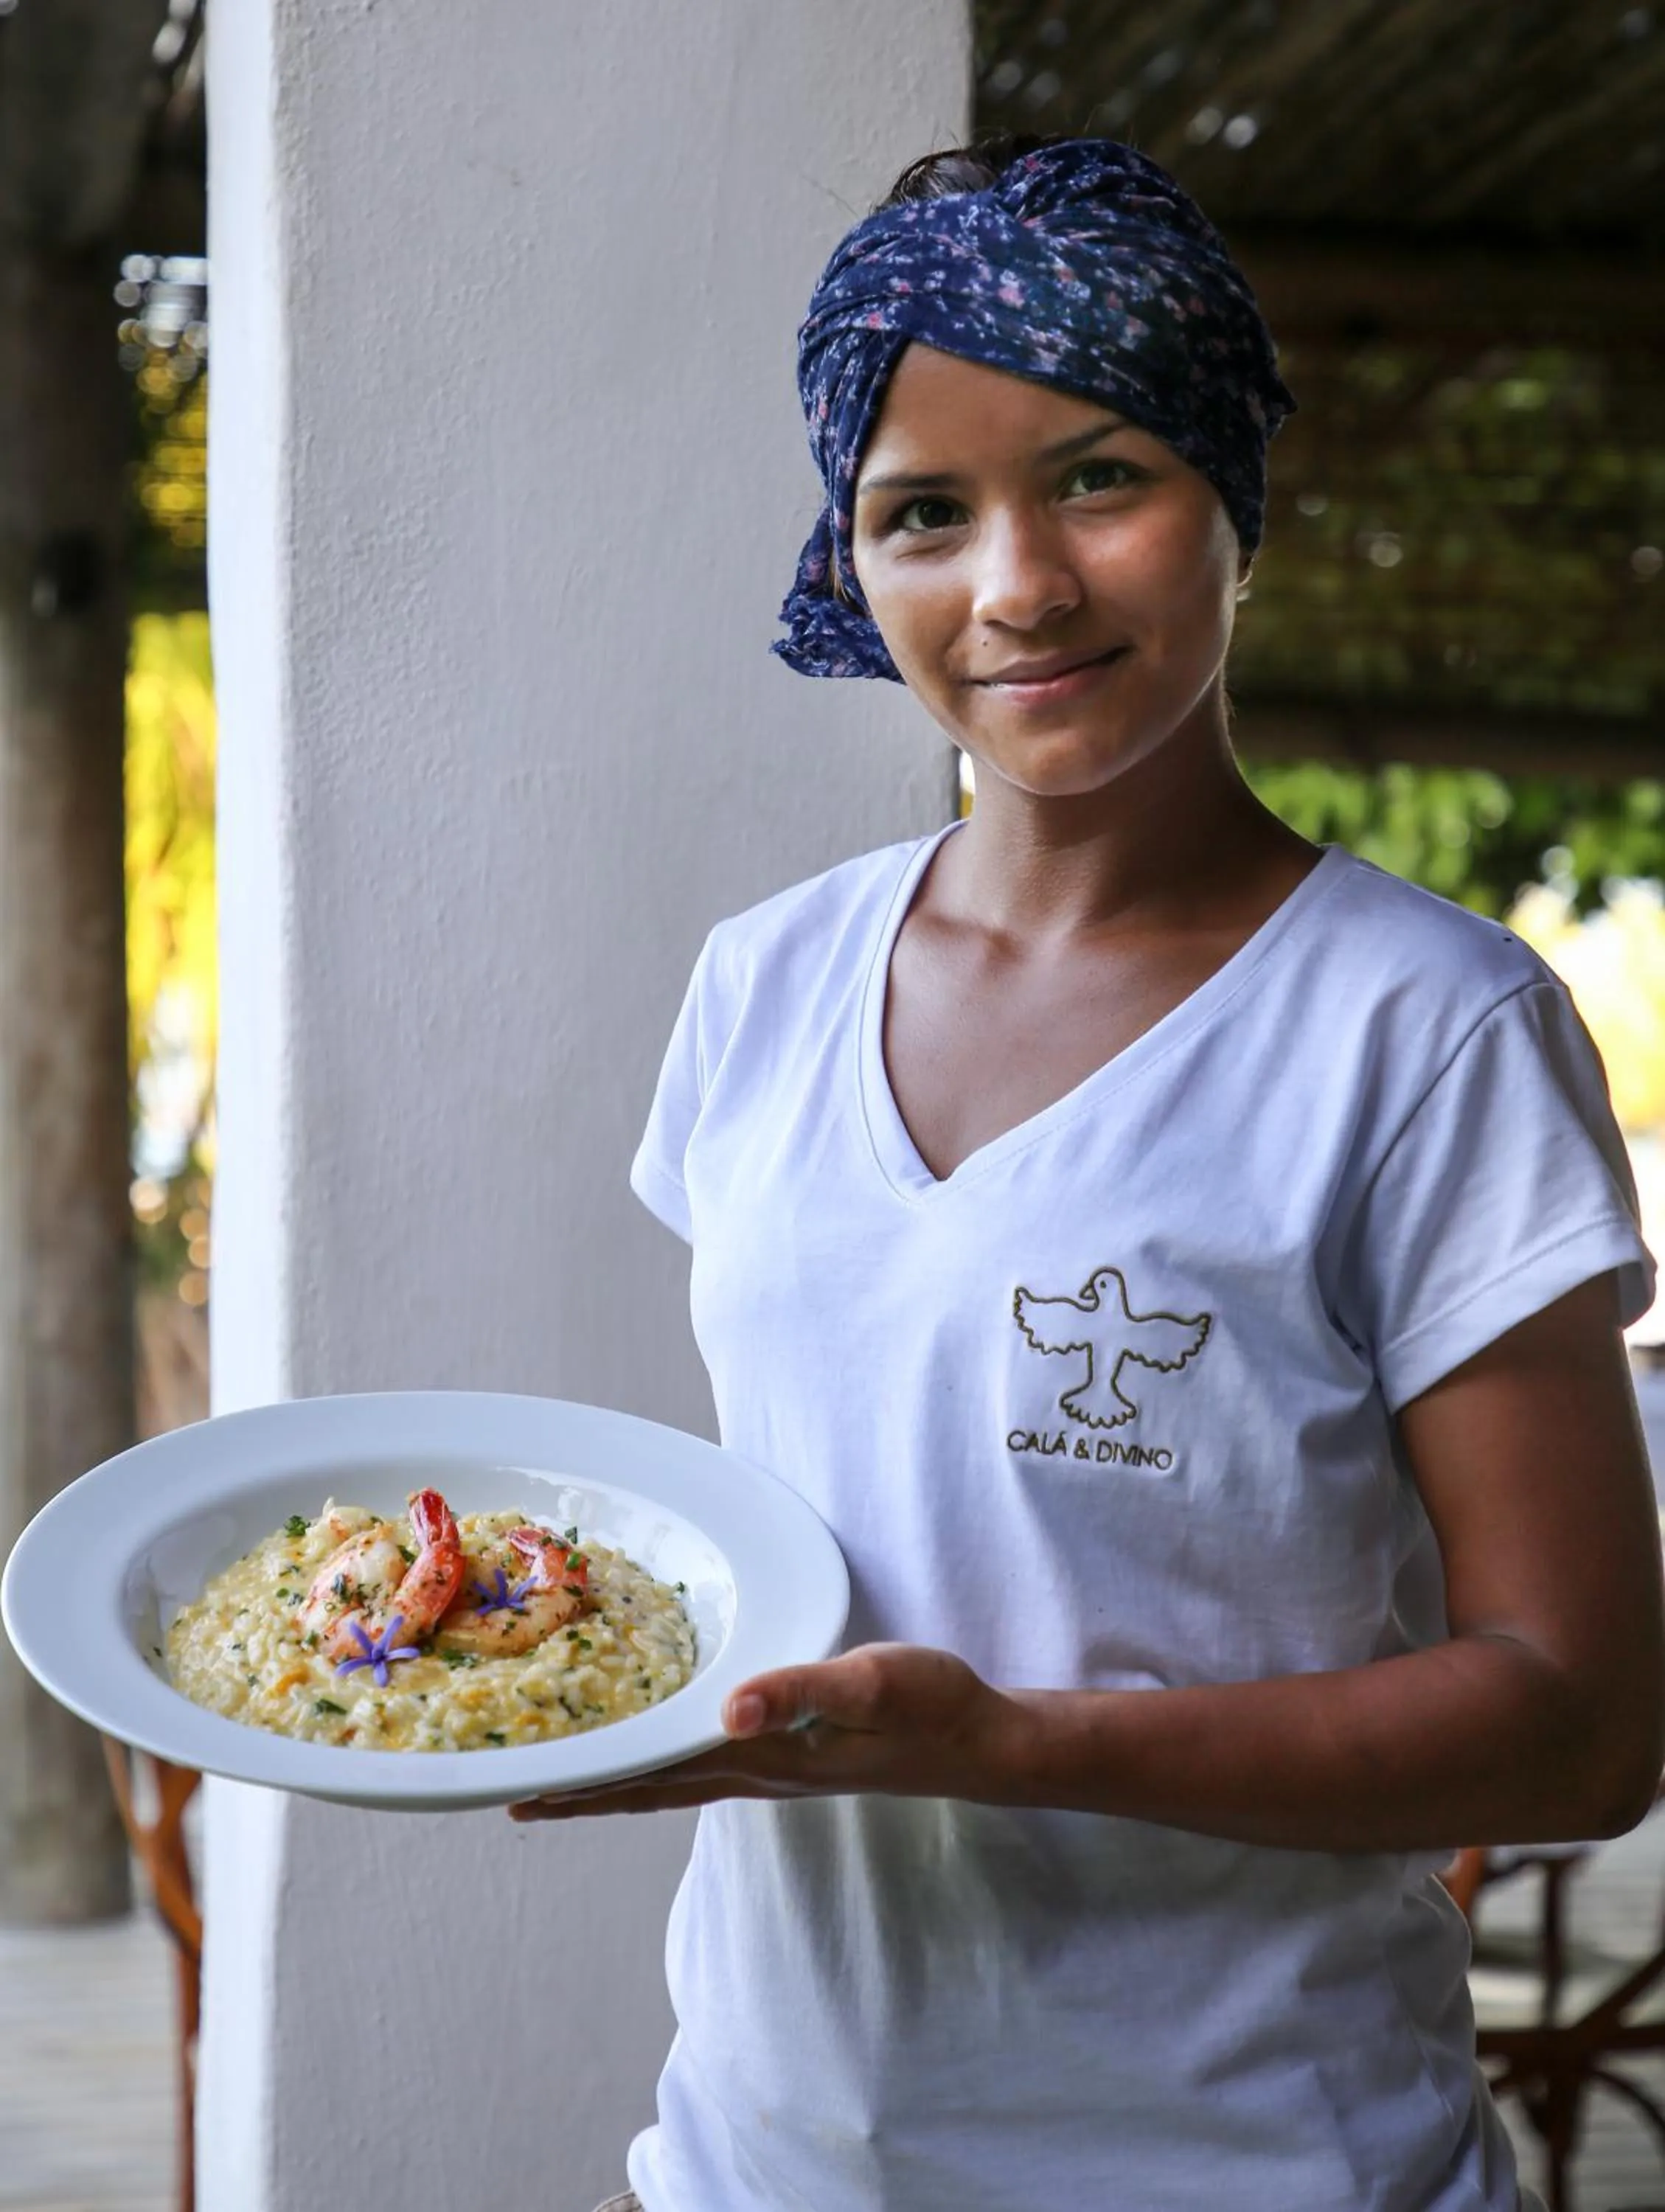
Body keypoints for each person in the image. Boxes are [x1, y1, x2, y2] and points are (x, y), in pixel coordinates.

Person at [511, 136, 1665, 2212]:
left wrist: (1018, 1749)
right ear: (851, 560)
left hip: (1263, 2165)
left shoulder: (1423, 1031)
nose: (1017, 584)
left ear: (1235, 498)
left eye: (1102, 476)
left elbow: (1578, 1727)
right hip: (765, 2162)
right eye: (923, 513)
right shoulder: (762, 989)